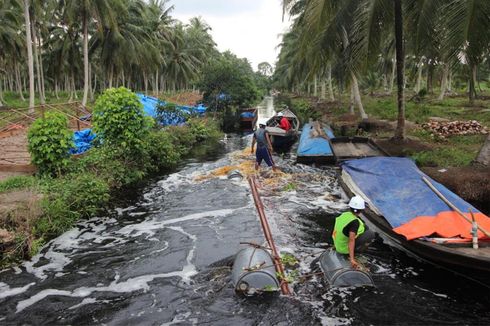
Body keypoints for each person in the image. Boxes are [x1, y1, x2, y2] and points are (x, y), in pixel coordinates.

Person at [332, 195, 375, 269]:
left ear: (350, 207)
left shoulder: (344, 215)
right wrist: (352, 259)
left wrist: (335, 245)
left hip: (338, 244)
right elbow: (351, 240)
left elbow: (336, 230)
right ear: (361, 210)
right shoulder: (355, 222)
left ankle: (342, 248)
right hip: (344, 249)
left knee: (365, 227)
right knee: (370, 234)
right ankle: (357, 252)